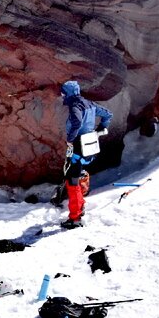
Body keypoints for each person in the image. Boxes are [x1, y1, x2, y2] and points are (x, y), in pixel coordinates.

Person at [60, 80, 113, 228]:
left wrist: (70, 139)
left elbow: (76, 122)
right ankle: (80, 206)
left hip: (77, 147)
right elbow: (108, 114)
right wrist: (100, 129)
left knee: (72, 181)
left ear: (68, 93)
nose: (61, 95)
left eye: (63, 92)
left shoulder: (75, 105)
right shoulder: (89, 103)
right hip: (89, 147)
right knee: (77, 175)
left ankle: (75, 218)